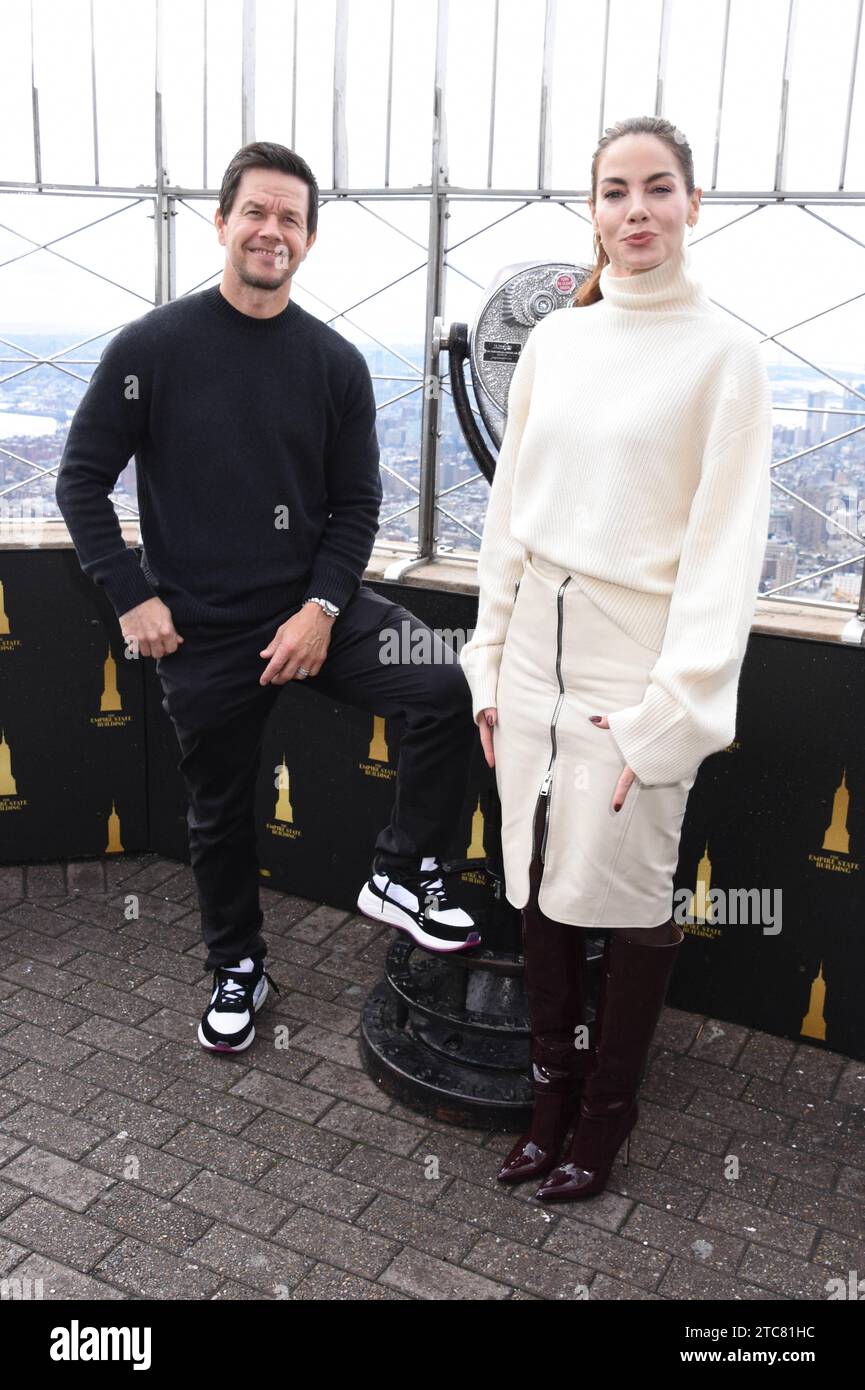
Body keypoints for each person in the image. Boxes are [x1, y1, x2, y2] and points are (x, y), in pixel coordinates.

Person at [55, 140, 480, 1056]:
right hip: (200, 626)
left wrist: (321, 610)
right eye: (256, 211)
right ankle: (237, 966)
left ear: (309, 240)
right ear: (221, 222)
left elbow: (359, 504)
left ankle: (404, 871)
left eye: (290, 218)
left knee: (440, 682)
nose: (271, 230)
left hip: (315, 605)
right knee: (219, 813)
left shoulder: (333, 363)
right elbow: (80, 482)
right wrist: (133, 599)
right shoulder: (151, 348)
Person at [459, 116, 773, 1201]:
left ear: (694, 203)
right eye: (611, 191)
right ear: (589, 211)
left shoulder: (725, 357)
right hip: (531, 659)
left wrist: (670, 715)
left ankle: (605, 1113)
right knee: (537, 877)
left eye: (656, 188)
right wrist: (487, 658)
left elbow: (724, 554)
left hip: (634, 665)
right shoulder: (556, 340)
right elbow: (509, 514)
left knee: (632, 897)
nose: (634, 209)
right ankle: (548, 1095)